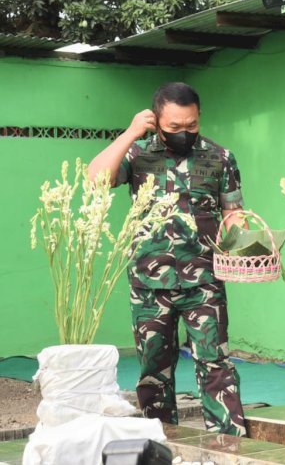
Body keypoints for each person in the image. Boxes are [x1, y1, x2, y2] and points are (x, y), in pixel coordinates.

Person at [88, 82, 247, 436]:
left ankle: (229, 444)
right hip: (148, 283)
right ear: (156, 120)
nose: (184, 133)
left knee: (216, 364)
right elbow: (96, 180)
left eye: (191, 125)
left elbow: (233, 210)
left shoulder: (220, 157)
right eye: (174, 127)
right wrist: (130, 132)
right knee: (154, 371)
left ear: (199, 117)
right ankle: (161, 442)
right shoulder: (138, 153)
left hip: (204, 280)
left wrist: (241, 233)